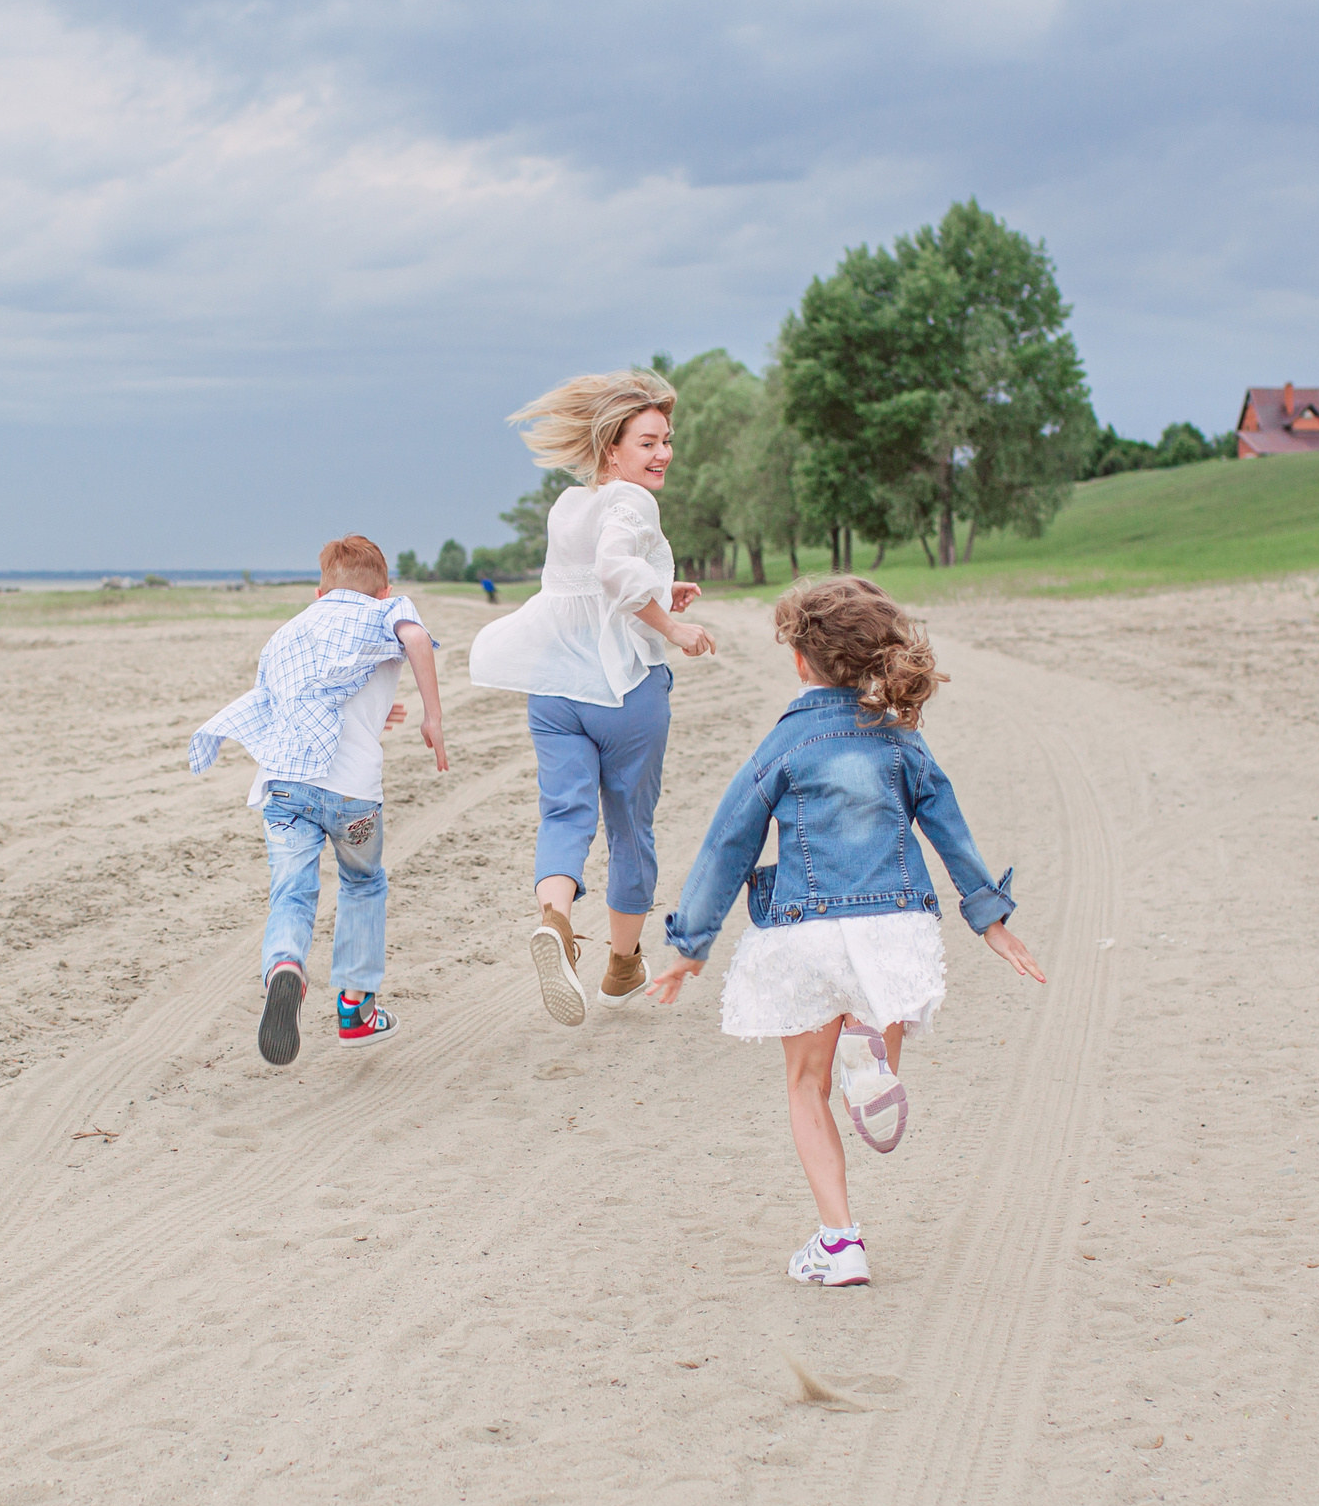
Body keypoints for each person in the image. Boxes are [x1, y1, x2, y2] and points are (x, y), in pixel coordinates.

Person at [652, 577, 1043, 1287]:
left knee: (807, 1086)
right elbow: (949, 828)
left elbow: (726, 845)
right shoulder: (900, 742)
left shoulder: (785, 743)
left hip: (806, 933)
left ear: (802, 661)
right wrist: (991, 920)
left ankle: (840, 1243)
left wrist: (689, 947)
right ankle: (875, 1059)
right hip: (894, 930)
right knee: (871, 1055)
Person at [468, 370, 718, 1026]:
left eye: (666, 440)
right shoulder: (633, 503)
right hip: (623, 694)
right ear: (613, 449)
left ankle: (554, 918)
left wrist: (662, 593)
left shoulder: (568, 503)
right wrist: (673, 627)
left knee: (563, 814)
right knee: (630, 827)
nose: (662, 453)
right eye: (648, 442)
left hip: (554, 691)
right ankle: (623, 965)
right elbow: (614, 571)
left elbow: (590, 589)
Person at [190, 535, 448, 1066]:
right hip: (351, 794)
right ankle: (355, 1011)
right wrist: (432, 716)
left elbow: (294, 703)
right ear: (384, 589)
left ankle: (285, 966)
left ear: (319, 591)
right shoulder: (384, 613)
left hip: (284, 788)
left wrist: (384, 712)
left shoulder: (290, 634)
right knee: (362, 882)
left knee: (291, 891)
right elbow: (418, 640)